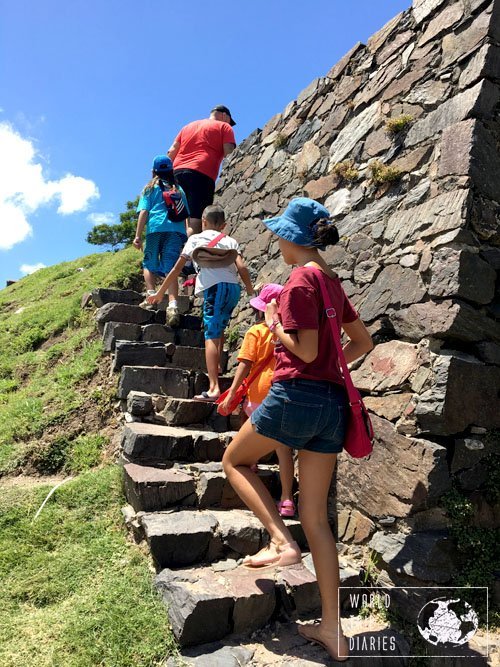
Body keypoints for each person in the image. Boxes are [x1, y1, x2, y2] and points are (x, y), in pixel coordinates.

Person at [222, 197, 374, 662]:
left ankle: (281, 543)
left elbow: (304, 351)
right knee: (317, 520)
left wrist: (273, 322)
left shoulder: (300, 280)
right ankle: (333, 630)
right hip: (332, 406)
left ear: (294, 238)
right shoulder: (331, 281)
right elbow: (362, 342)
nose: (277, 242)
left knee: (234, 461)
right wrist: (331, 368)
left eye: (280, 234)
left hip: (296, 396)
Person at [147, 204, 254, 400]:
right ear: (223, 225)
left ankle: (214, 388)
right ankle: (218, 367)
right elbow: (242, 267)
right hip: (232, 289)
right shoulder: (230, 240)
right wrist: (250, 290)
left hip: (215, 288)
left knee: (211, 334)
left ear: (203, 222)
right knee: (219, 328)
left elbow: (176, 269)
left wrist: (160, 292)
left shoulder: (195, 239)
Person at [219, 283, 296, 517]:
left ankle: (249, 466)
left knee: (252, 433)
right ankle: (287, 499)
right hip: (284, 393)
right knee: (284, 450)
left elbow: (245, 363)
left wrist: (232, 393)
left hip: (258, 393)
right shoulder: (290, 333)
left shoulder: (256, 332)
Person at [133, 155, 189, 326]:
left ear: (153, 172)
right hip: (175, 231)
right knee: (170, 268)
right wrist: (186, 235)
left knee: (149, 263)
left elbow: (144, 212)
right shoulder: (178, 189)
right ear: (171, 170)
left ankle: (151, 296)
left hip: (155, 229)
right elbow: (185, 214)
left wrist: (137, 235)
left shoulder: (149, 189)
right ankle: (173, 307)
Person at [168, 106, 236, 237]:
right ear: (224, 116)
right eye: (229, 120)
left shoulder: (187, 127)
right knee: (195, 219)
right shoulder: (224, 126)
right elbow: (230, 153)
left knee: (180, 218)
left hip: (176, 174)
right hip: (201, 174)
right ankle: (188, 253)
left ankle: (175, 251)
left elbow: (171, 151)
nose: (229, 124)